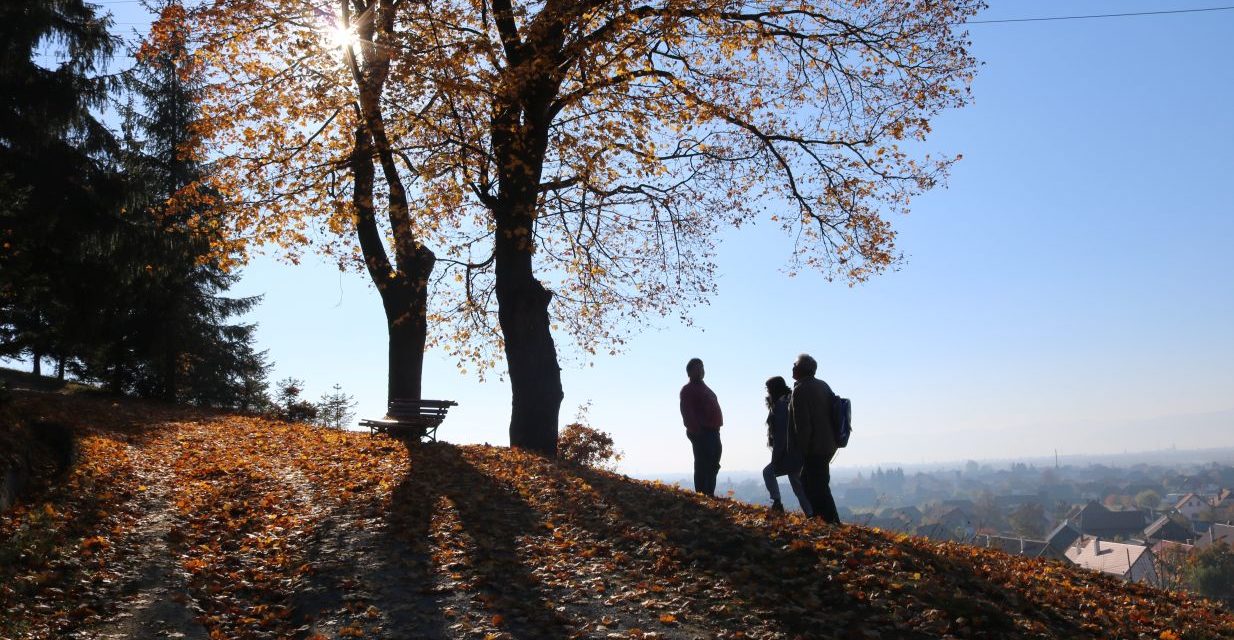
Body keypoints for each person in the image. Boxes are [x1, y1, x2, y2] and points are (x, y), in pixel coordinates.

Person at [787, 354, 841, 524]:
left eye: (795, 365)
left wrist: (802, 449)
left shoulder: (800, 390)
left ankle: (828, 522)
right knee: (812, 482)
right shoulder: (823, 385)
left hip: (814, 446)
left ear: (802, 369)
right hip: (828, 443)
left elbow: (803, 424)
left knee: (816, 486)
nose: (792, 367)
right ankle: (824, 520)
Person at [761, 376, 812, 515]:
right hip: (798, 452)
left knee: (768, 472)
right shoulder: (789, 401)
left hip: (789, 453)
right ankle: (810, 513)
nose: (767, 393)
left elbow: (781, 436)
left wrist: (776, 458)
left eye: (768, 389)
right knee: (798, 485)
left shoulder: (781, 406)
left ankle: (777, 503)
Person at [679, 357, 723, 497]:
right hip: (702, 431)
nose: (701, 371)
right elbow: (687, 412)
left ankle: (709, 493)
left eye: (702, 367)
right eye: (697, 368)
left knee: (714, 463)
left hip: (713, 431)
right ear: (689, 372)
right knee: (703, 464)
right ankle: (702, 494)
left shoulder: (705, 388)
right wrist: (696, 431)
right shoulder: (688, 390)